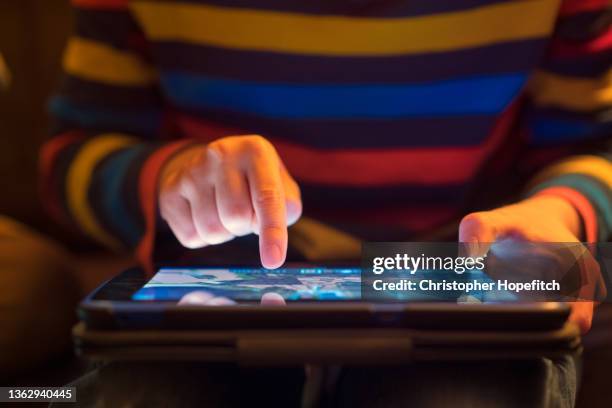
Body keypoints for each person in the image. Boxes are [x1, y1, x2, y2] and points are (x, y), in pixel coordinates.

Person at [41, 0, 611, 406]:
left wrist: (560, 212)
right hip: (217, 278)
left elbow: (595, 146)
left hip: (457, 279)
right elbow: (72, 158)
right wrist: (166, 179)